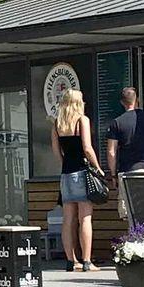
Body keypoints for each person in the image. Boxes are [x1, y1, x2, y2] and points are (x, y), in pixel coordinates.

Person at [55, 86, 98, 271]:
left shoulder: (57, 123)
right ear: (78, 102)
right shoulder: (82, 120)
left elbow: (56, 151)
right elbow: (87, 148)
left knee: (68, 219)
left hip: (66, 174)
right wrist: (97, 167)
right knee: (85, 218)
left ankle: (71, 261)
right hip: (81, 172)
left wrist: (65, 165)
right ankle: (87, 261)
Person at [106, 86, 144, 179]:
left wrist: (113, 174)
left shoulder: (117, 122)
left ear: (122, 102)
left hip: (128, 170)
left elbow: (111, 151)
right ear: (137, 100)